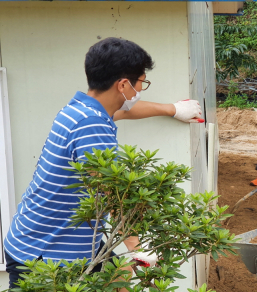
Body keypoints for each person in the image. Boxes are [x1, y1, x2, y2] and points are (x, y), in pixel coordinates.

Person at [3, 37, 203, 288]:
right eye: (141, 83)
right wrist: (138, 248)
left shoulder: (82, 108)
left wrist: (173, 109)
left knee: (119, 276)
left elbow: (124, 111)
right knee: (120, 273)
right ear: (123, 85)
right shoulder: (92, 126)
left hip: (53, 239)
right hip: (46, 255)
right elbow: (112, 194)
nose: (139, 91)